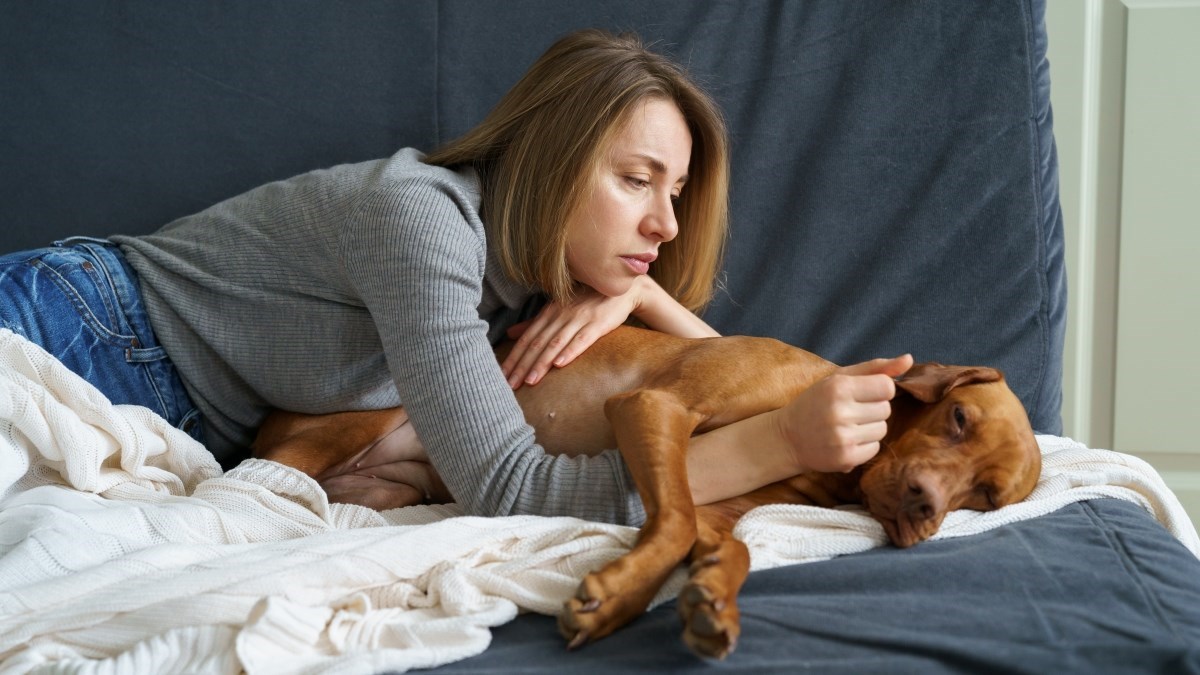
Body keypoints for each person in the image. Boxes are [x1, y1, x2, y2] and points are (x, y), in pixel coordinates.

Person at [0, 29, 910, 525]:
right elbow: (510, 490)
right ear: (550, 158)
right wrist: (779, 448)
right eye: (636, 180)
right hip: (76, 326)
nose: (666, 224)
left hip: (163, 417)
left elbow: (735, 379)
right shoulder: (421, 221)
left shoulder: (523, 288)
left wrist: (645, 293)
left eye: (674, 192)